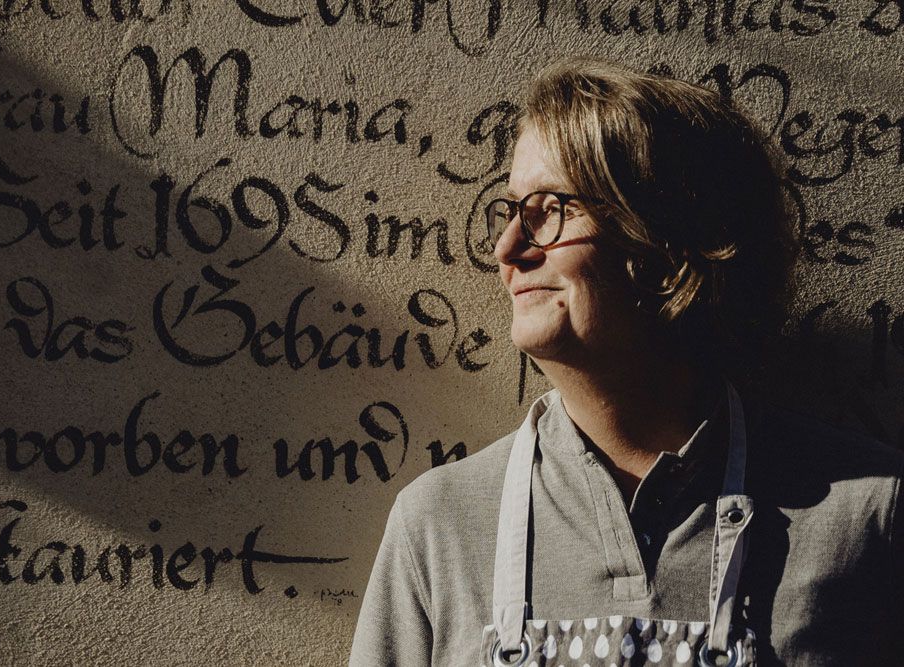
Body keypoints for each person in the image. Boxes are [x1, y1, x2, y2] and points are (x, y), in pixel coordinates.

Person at [348, 57, 904, 666]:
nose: (508, 250)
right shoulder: (440, 525)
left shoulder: (870, 516)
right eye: (510, 212)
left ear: (667, 238)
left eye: (551, 209)